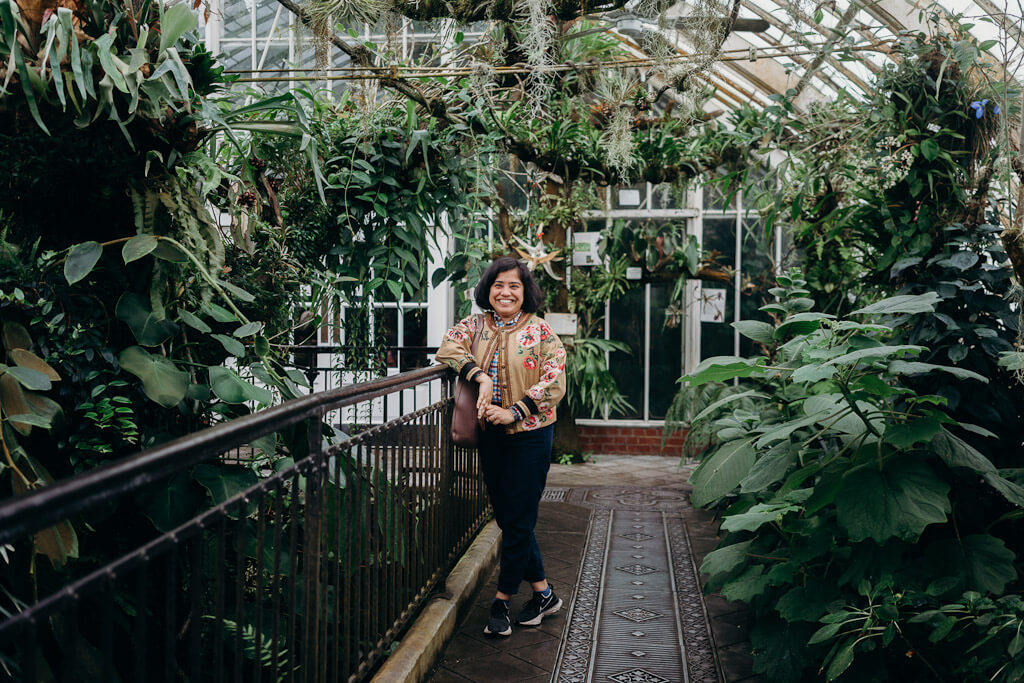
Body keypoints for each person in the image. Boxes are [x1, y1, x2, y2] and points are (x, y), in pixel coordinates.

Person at [435, 256, 567, 637]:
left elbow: (554, 380)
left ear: (525, 292)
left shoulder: (541, 332)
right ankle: (543, 594)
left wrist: (516, 411)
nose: (505, 292)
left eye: (514, 286)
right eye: (498, 285)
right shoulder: (474, 325)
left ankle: (502, 600)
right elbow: (448, 347)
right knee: (511, 517)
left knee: (519, 519)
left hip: (531, 434)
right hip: (490, 435)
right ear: (487, 290)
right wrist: (479, 376)